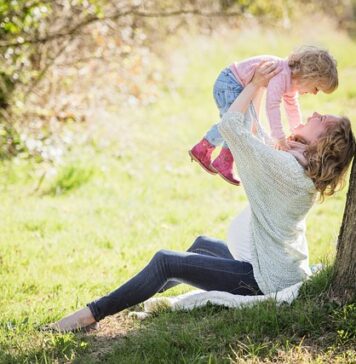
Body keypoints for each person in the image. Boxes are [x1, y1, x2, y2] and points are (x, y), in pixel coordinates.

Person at [47, 62, 355, 332]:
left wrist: (254, 84)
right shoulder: (297, 166)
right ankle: (134, 295)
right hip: (272, 265)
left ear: (323, 143)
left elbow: (232, 127)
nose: (314, 112)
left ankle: (90, 315)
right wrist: (260, 88)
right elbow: (258, 136)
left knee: (166, 261)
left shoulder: (286, 169)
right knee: (201, 245)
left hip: (264, 278)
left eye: (323, 119)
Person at [189, 46, 338, 185]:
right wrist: (279, 137)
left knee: (240, 124)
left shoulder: (291, 81)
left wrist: (296, 129)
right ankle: (208, 150)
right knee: (236, 123)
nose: (314, 93)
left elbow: (292, 106)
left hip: (234, 84)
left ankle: (222, 158)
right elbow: (272, 106)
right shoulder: (282, 74)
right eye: (317, 88)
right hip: (230, 83)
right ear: (309, 76)